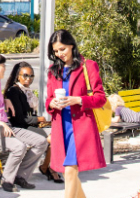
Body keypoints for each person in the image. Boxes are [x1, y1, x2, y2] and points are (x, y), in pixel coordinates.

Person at [0, 53, 48, 192]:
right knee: (19, 146)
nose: (5, 68)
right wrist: (1, 124)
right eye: (3, 66)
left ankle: (20, 176)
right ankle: (6, 180)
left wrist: (5, 100)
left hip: (7, 128)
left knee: (41, 141)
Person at [45, 30, 107, 198]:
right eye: (56, 51)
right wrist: (51, 103)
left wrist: (78, 100)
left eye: (62, 49)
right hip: (61, 126)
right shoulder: (53, 70)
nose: (59, 54)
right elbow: (48, 98)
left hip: (81, 126)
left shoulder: (88, 66)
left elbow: (101, 98)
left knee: (70, 170)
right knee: (67, 172)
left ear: (72, 45)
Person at [4, 62, 63, 183]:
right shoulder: (14, 91)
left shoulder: (25, 91)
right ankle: (48, 168)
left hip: (28, 125)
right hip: (19, 127)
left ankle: (47, 166)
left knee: (60, 133)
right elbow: (19, 119)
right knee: (53, 139)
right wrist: (37, 119)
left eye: (31, 76)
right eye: (25, 75)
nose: (28, 79)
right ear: (18, 76)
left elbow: (29, 113)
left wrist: (39, 120)